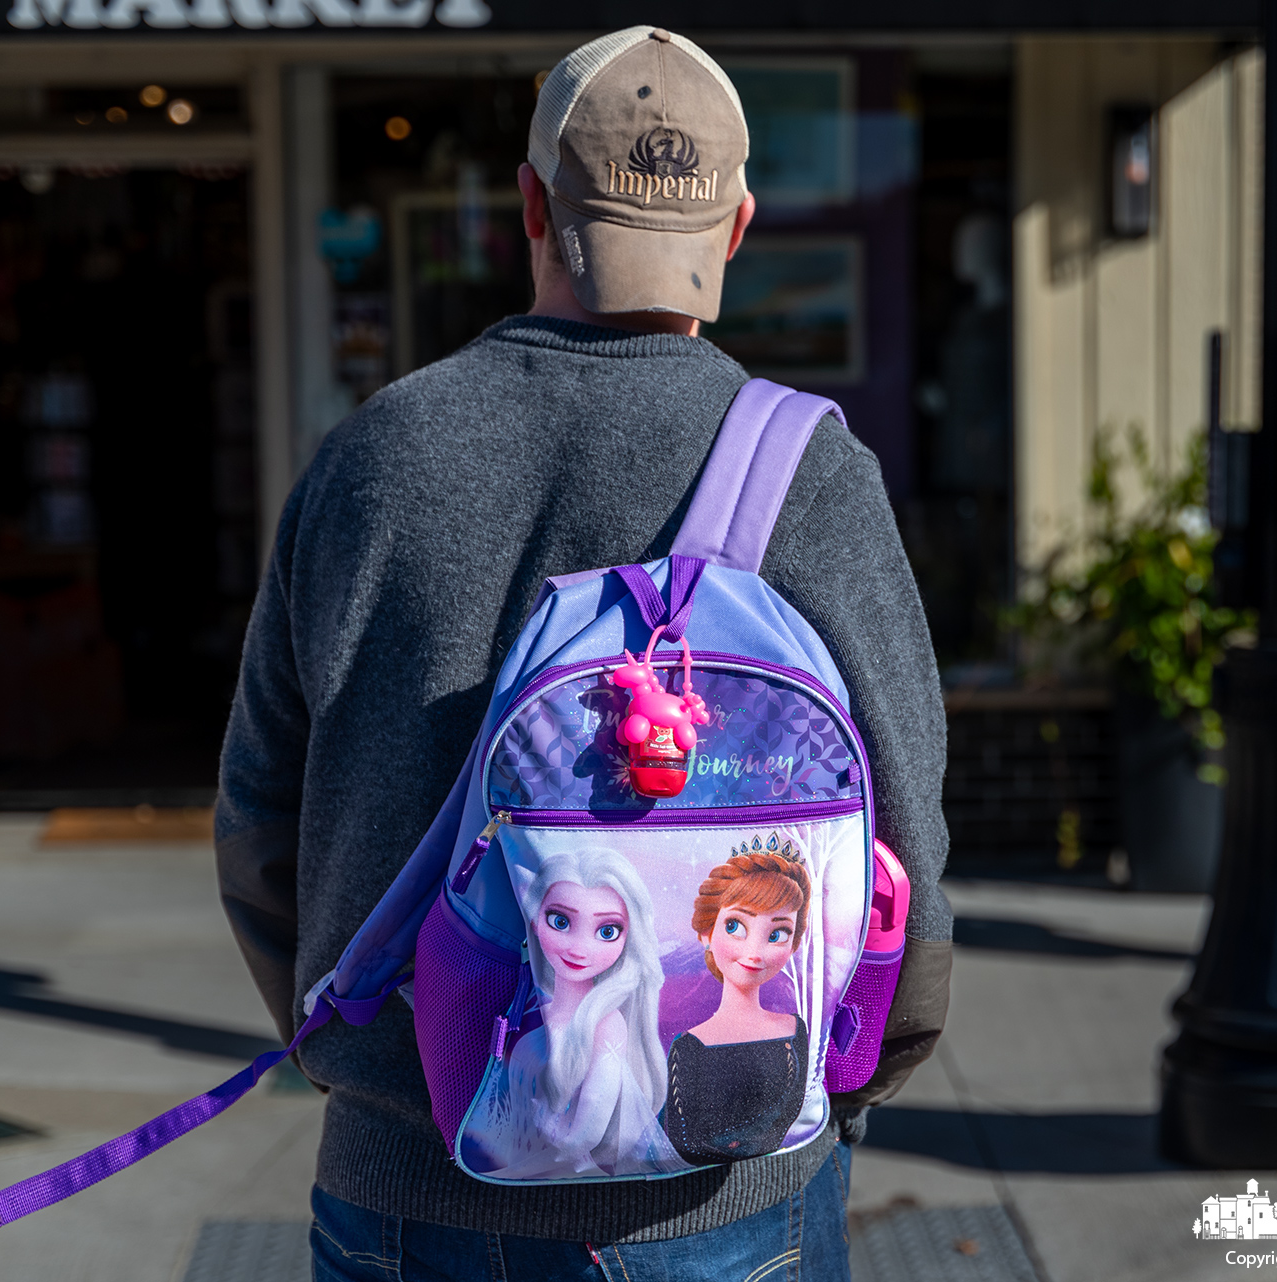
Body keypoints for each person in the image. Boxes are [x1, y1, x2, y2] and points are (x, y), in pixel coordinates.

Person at [215, 25, 952, 1282]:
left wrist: (368, 1058)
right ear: (735, 226)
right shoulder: (816, 474)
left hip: (404, 1187)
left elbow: (258, 828)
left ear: (532, 206)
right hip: (720, 1199)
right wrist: (835, 1081)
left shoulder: (371, 458)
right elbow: (908, 867)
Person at [466, 848, 683, 1179]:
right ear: (534, 919)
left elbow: (584, 1136)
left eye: (607, 931)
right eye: (561, 921)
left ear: (629, 937)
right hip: (515, 1166)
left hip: (550, 1170)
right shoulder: (537, 1005)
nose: (579, 948)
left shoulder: (606, 1023)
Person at [662, 844, 812, 1164]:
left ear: (795, 943)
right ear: (706, 931)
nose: (754, 951)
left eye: (778, 933)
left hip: (783, 1170)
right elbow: (683, 1136)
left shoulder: (794, 1029)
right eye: (735, 926)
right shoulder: (690, 1047)